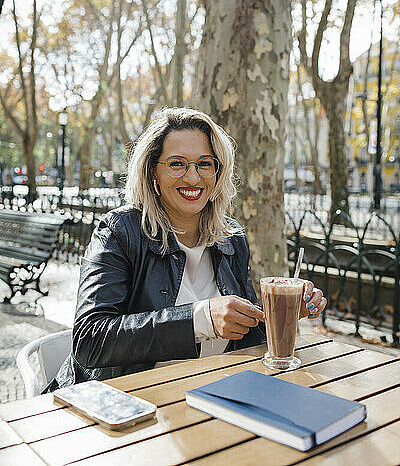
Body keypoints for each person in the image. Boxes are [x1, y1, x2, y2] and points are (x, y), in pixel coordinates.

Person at [44, 107, 327, 391]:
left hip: (206, 396)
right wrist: (200, 318)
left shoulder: (232, 238)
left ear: (218, 172)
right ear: (153, 170)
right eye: (177, 164)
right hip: (120, 405)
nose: (193, 178)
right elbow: (90, 341)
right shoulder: (119, 232)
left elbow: (246, 339)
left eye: (205, 164)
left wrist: (282, 313)